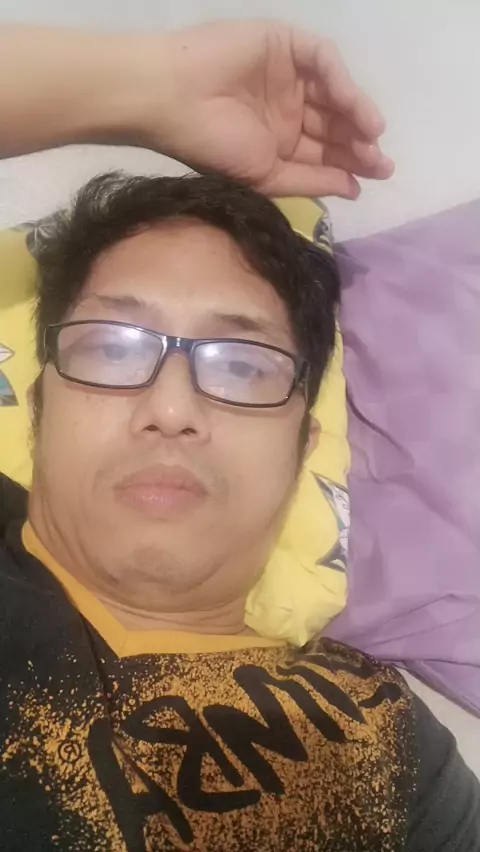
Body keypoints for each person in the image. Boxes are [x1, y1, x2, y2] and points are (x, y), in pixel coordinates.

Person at [0, 18, 478, 852]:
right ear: (39, 403)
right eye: (113, 347)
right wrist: (148, 87)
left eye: (243, 364)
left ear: (305, 442)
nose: (171, 406)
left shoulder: (394, 742)